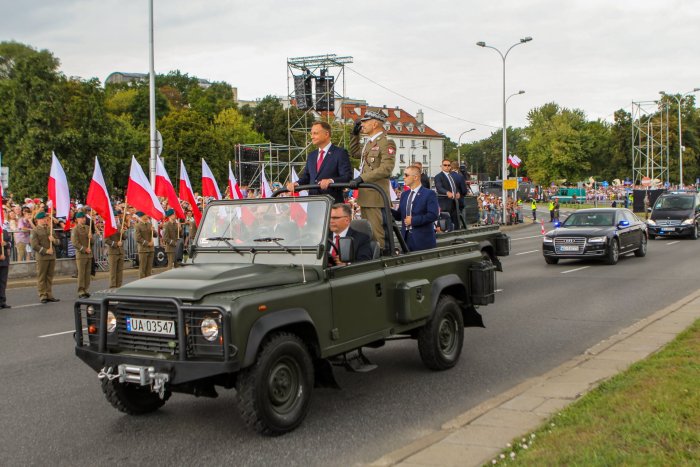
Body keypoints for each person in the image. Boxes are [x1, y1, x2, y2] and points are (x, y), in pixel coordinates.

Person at [349, 110, 396, 251]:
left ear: (375, 123)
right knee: (368, 234)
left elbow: (387, 168)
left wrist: (362, 178)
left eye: (365, 122)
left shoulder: (386, 142)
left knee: (378, 235)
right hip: (367, 195)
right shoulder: (369, 143)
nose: (362, 124)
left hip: (377, 196)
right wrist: (354, 134)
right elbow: (354, 153)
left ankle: (382, 260)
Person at [287, 121, 352, 204]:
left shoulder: (340, 153)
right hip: (313, 204)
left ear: (326, 134)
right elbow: (307, 177)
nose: (312, 137)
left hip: (332, 204)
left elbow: (347, 177)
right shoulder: (311, 155)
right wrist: (296, 184)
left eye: (315, 133)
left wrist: (331, 181)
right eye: (311, 133)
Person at [394, 166, 439, 251]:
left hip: (422, 241)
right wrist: (388, 208)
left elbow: (433, 215)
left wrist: (413, 220)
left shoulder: (429, 194)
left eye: (406, 175)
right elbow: (400, 216)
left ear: (415, 177)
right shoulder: (404, 194)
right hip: (405, 239)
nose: (404, 177)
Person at [30, 211, 60, 303]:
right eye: (43, 219)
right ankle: (43, 295)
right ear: (37, 220)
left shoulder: (50, 229)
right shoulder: (35, 231)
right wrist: (46, 251)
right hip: (42, 257)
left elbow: (58, 242)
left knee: (50, 276)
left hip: (52, 256)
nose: (45, 220)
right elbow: (34, 245)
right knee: (42, 277)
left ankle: (49, 294)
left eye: (45, 218)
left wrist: (54, 240)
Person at [71, 211, 93, 298]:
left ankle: (85, 289)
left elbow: (92, 242)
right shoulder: (75, 229)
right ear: (77, 219)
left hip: (89, 254)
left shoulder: (88, 228)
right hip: (81, 254)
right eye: (81, 218)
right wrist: (84, 249)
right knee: (81, 273)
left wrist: (91, 238)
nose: (83, 219)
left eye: (84, 218)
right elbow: (75, 243)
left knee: (87, 273)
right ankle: (81, 291)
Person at [434, 159, 461, 229]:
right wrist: (447, 192)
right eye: (445, 165)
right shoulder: (438, 176)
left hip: (454, 202)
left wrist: (457, 192)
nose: (447, 167)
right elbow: (439, 188)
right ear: (441, 166)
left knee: (455, 221)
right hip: (444, 203)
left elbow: (453, 186)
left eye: (449, 165)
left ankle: (456, 233)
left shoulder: (451, 176)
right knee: (446, 224)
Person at [134, 211, 156, 278]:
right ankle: (141, 283)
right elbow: (138, 238)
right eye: (145, 215)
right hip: (143, 249)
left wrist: (153, 230)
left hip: (151, 249)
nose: (147, 216)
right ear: (141, 216)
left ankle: (148, 283)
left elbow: (156, 235)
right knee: (142, 269)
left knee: (149, 269)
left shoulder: (150, 224)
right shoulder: (138, 226)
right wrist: (147, 243)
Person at [104, 219, 125, 288]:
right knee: (113, 271)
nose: (115, 218)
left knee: (120, 271)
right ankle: (113, 286)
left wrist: (123, 232)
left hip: (120, 252)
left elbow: (124, 237)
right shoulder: (108, 227)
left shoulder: (119, 226)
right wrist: (116, 244)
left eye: (116, 217)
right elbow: (106, 240)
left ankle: (119, 286)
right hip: (113, 252)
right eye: (114, 217)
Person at [0, 223, 11, 308]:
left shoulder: (4, 232)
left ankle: (2, 301)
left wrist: (6, 244)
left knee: (3, 282)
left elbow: (10, 244)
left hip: (4, 261)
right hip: (1, 258)